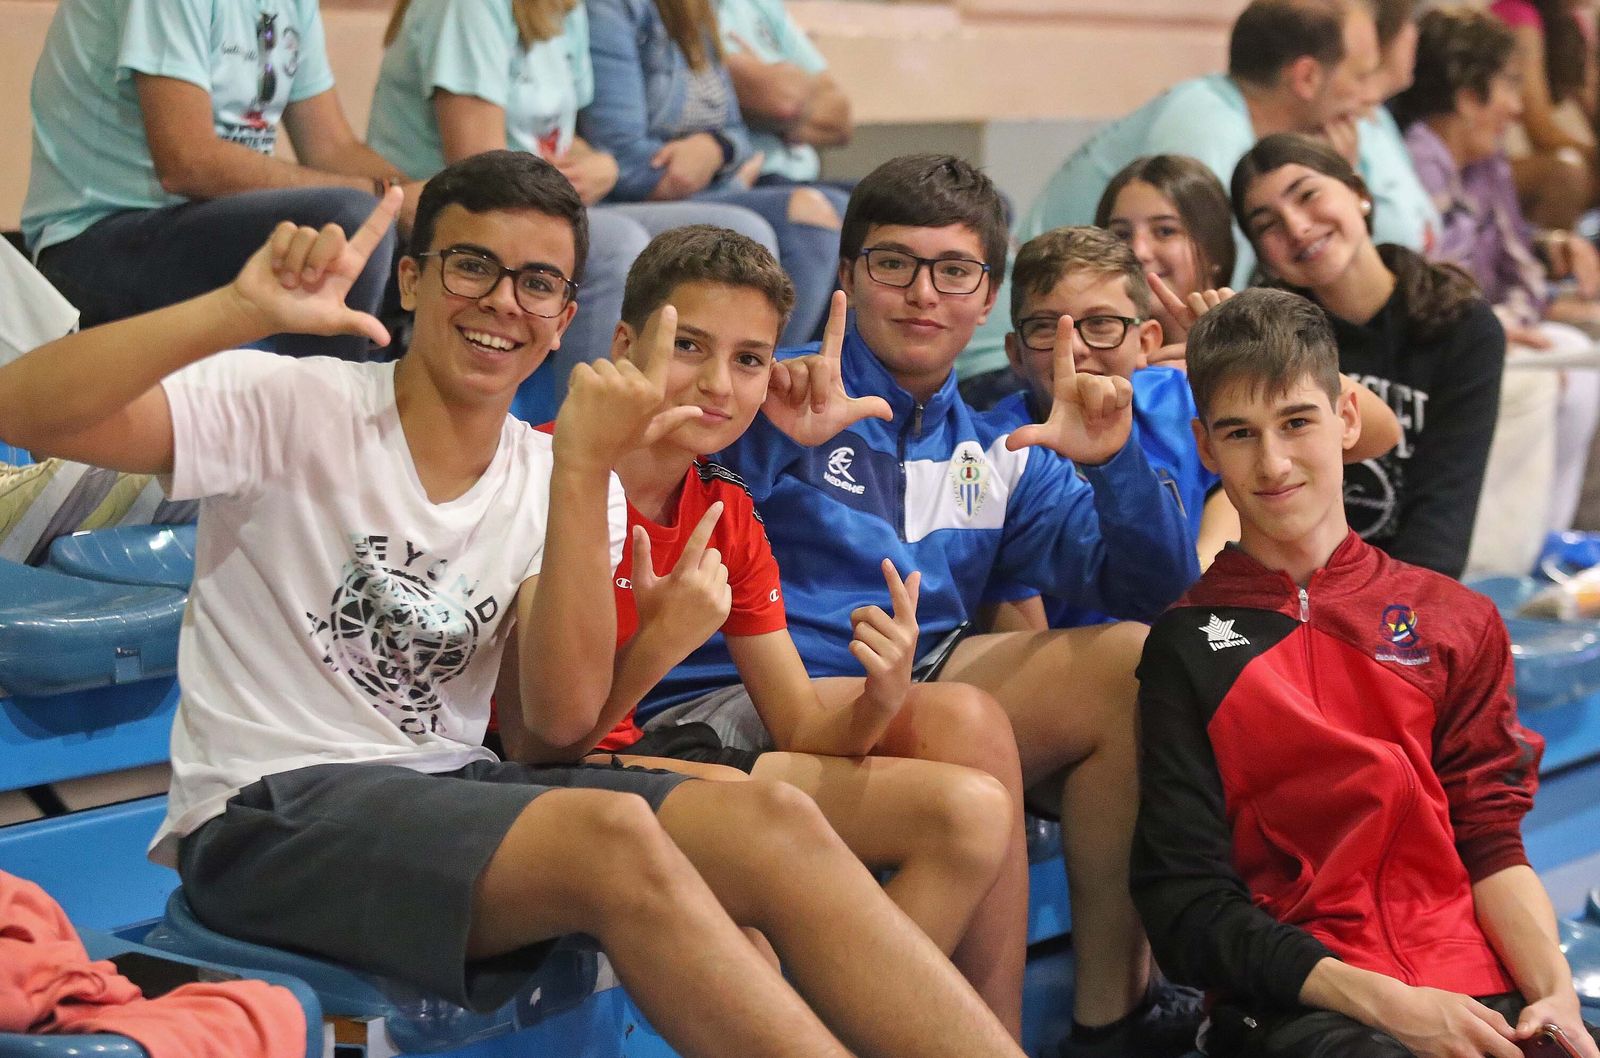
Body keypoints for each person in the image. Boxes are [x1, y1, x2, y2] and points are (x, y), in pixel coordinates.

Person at [0, 150, 1031, 1058]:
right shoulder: (293, 401)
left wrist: (581, 474)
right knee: (611, 842)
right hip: (262, 817)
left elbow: (559, 721)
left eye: (537, 282)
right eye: (471, 265)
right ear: (411, 278)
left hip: (450, 792)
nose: (502, 300)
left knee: (773, 816)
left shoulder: (559, 470)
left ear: (565, 316)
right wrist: (238, 310)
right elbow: (23, 407)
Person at [634, 153, 1204, 1057]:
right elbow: (652, 506)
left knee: (1132, 662)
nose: (922, 294)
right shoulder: (770, 385)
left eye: (955, 271)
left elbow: (1156, 596)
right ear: (850, 280)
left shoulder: (1001, 446)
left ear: (988, 301)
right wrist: (769, 448)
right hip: (735, 695)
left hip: (911, 678)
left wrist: (1115, 464)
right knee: (969, 722)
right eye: (894, 264)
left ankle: (1111, 1020)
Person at [519, 225, 1023, 1027]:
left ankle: (829, 1039)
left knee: (970, 814)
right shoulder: (537, 472)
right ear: (623, 341)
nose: (719, 384)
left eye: (750, 359)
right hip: (528, 782)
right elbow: (533, 744)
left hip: (647, 759)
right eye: (689, 345)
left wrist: (878, 699)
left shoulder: (726, 508)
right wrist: (657, 645)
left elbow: (798, 721)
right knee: (754, 891)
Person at [1132, 286, 1600, 1058]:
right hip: (1305, 1005)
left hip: (1474, 984)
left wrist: (1549, 993)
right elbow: (1187, 907)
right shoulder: (1186, 648)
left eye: (1296, 422)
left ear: (1347, 419)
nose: (1273, 462)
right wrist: (1395, 1006)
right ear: (1205, 447)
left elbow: (1491, 843)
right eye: (1240, 434)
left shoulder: (1454, 618)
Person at [369, 0, 783, 412]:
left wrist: (604, 165)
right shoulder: (468, 9)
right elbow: (483, 174)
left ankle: (711, 426)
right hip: (473, 212)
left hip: (546, 201)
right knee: (618, 243)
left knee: (745, 230)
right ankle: (580, 435)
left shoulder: (567, 10)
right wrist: (608, 171)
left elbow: (563, 137)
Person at [957, 0, 1383, 399]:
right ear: (1307, 77)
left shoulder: (1217, 108)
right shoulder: (1208, 129)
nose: (1369, 100)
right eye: (1361, 77)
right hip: (1018, 367)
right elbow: (1202, 280)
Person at [983, 226, 1400, 624]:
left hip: (1210, 630)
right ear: (1015, 353)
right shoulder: (1000, 449)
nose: (1072, 347)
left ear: (1146, 342)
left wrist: (1251, 348)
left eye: (1100, 325)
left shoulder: (1175, 398)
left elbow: (1377, 432)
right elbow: (1021, 633)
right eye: (1044, 328)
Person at [23, 0, 419, 361]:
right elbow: (187, 162)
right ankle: (323, 426)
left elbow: (332, 147)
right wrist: (382, 196)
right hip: (94, 243)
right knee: (346, 222)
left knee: (432, 225)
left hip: (197, 229)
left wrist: (428, 198)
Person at [1232, 132, 1505, 580]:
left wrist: (1397, 621)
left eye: (1308, 195)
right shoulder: (1266, 342)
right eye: (1267, 224)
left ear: (1359, 193)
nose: (1297, 227)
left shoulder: (1462, 328)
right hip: (1295, 592)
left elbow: (1445, 515)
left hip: (1407, 595)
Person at [1394, 5, 1600, 554]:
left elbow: (1519, 265)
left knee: (1579, 366)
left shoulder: (1487, 164)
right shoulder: (1419, 164)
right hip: (1440, 338)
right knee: (1546, 374)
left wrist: (1539, 275)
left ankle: (1543, 539)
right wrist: (1501, 321)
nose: (1515, 108)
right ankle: (1498, 554)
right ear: (1467, 96)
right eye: (1508, 89)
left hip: (1488, 320)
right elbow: (1437, 284)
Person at [579, 0, 846, 346]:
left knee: (855, 209)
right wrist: (710, 162)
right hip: (645, 191)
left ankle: (772, 375)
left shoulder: (694, 9)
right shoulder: (615, 9)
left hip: (712, 184)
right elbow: (623, 155)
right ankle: (759, 372)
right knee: (802, 217)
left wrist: (716, 148)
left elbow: (737, 133)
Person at [717, 0, 853, 187]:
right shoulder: (689, 11)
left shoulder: (759, 4)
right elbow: (782, 102)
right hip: (747, 179)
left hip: (804, 179)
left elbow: (840, 118)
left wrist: (780, 117)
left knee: (888, 201)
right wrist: (789, 86)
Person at [1491, 0, 1599, 229]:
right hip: (1499, 160)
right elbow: (1539, 130)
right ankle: (1545, 259)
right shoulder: (1518, 16)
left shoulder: (1574, 22)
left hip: (1545, 155)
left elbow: (1592, 109)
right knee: (1568, 173)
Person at [1357, 0, 1441, 254]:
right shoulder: (1339, 127)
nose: (1416, 36)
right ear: (1380, 39)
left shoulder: (1380, 119)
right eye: (1410, 24)